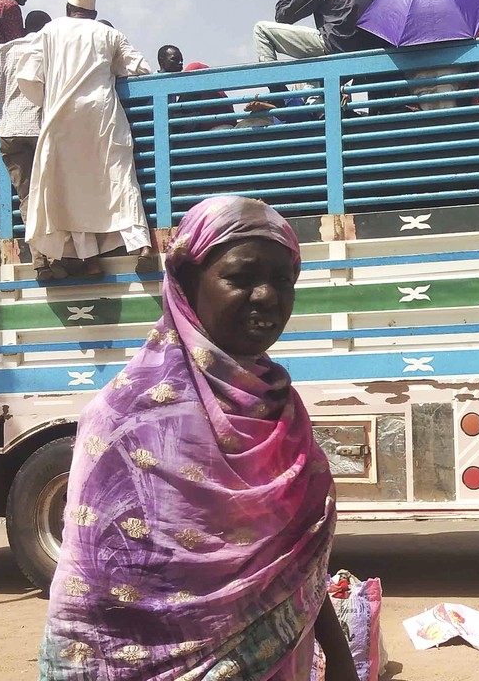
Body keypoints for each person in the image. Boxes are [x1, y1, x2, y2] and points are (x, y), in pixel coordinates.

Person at [39, 195, 356, 681]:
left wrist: (336, 651)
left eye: (282, 280)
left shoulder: (279, 408)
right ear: (187, 284)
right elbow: (92, 602)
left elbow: (296, 564)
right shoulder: (124, 418)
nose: (268, 296)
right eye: (242, 278)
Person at [16, 0, 153, 276]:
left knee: (70, 189)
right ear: (93, 13)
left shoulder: (50, 30)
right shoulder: (109, 34)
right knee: (119, 177)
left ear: (68, 8)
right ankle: (141, 244)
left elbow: (28, 76)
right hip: (103, 115)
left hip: (61, 119)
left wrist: (48, 101)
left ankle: (89, 258)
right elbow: (140, 67)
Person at [0, 10, 56, 281]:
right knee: (48, 195)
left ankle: (40, 262)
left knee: (26, 197)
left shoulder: (3, 49)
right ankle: (57, 257)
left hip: (9, 130)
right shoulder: (49, 48)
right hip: (39, 128)